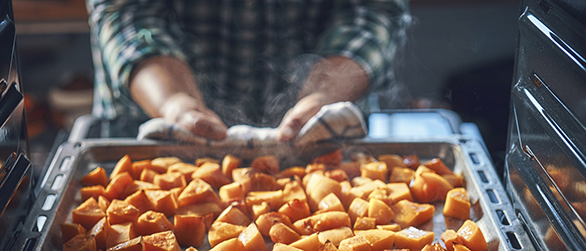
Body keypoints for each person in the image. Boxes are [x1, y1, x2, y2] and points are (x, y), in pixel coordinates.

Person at [87, 0, 410, 141]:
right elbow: (126, 12)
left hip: (325, 137)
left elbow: (374, 10)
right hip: (147, 124)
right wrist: (174, 102)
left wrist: (326, 93)